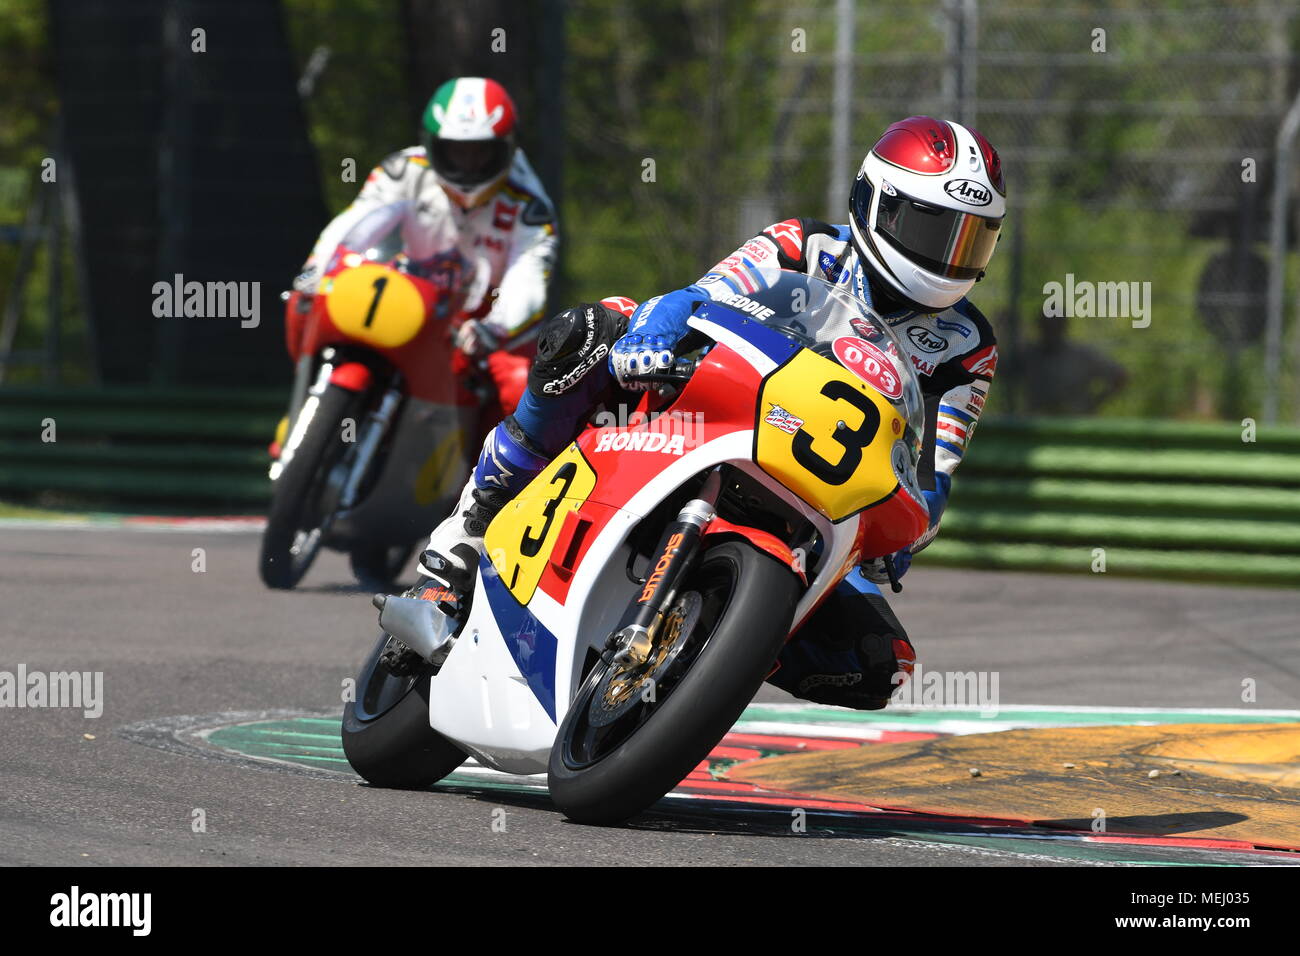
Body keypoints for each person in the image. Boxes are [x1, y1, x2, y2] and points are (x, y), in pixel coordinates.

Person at [420, 116, 1005, 711]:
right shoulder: (804, 244)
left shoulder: (968, 345)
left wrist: (907, 527)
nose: (949, 256)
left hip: (825, 497)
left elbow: (935, 473)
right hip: (712, 413)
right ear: (875, 201)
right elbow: (701, 297)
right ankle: (467, 532)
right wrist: (651, 335)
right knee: (592, 329)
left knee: (879, 665)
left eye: (970, 238)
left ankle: (706, 653)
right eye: (934, 229)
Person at [293, 76, 557, 417]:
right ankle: (303, 414)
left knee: (521, 388)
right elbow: (356, 222)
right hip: (405, 296)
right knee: (302, 302)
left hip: (481, 325)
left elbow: (528, 277)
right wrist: (319, 266)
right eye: (455, 151)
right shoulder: (403, 170)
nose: (468, 165)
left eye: (481, 152)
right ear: (432, 145)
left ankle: (496, 467)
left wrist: (493, 329)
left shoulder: (531, 206)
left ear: (506, 147)